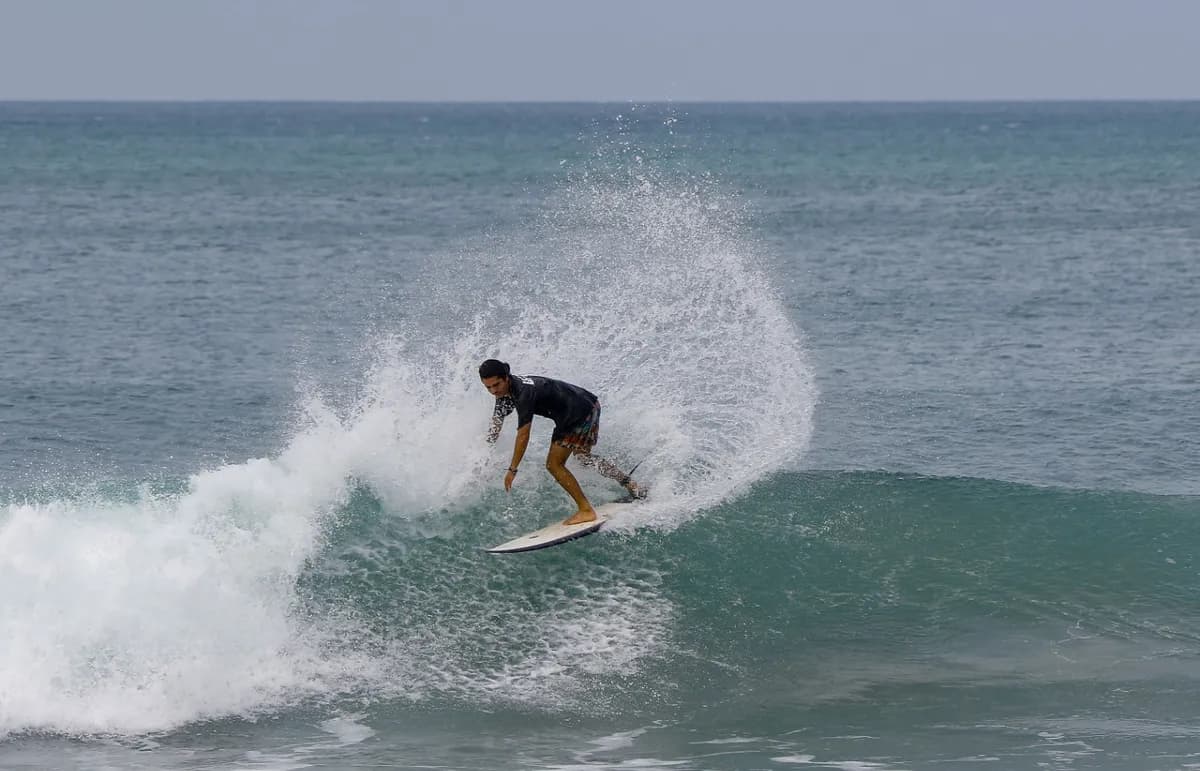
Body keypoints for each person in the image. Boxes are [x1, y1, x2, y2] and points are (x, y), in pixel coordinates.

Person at [480, 358, 645, 524]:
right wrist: (485, 453)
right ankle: (631, 485)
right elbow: (496, 423)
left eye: (496, 385)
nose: (493, 391)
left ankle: (586, 510)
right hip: (590, 404)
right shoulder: (505, 391)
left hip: (577, 414)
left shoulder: (523, 393)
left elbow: (523, 435)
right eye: (488, 387)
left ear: (506, 377)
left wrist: (512, 469)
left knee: (554, 465)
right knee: (583, 457)